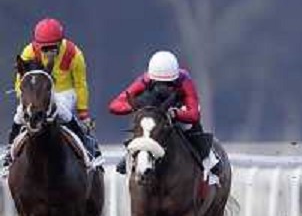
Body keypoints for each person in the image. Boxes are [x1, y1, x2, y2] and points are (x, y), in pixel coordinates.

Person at [2, 17, 101, 173]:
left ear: (60, 42)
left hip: (64, 91)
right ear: (37, 44)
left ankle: (87, 149)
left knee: (63, 112)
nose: (49, 52)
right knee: (19, 115)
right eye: (45, 48)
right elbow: (20, 81)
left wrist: (83, 112)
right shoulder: (28, 52)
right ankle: (9, 153)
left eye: (53, 47)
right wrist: (26, 100)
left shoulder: (74, 54)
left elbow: (80, 84)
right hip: (39, 91)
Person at [109, 50, 208, 174]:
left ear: (175, 79)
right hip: (154, 113)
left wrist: (176, 114)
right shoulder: (144, 80)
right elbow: (114, 105)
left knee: (197, 135)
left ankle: (210, 168)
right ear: (151, 79)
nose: (163, 88)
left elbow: (194, 114)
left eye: (168, 84)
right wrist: (139, 106)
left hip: (178, 115)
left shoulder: (184, 80)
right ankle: (130, 157)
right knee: (143, 124)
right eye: (159, 83)